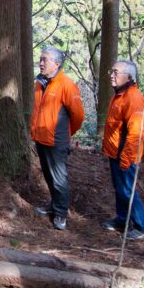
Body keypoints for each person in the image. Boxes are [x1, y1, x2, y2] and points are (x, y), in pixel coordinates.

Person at [30, 47, 85, 231]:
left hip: (57, 140)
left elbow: (78, 115)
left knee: (59, 178)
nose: (41, 62)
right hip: (40, 138)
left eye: (45, 59)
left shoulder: (67, 85)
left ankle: (61, 213)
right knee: (48, 175)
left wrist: (66, 133)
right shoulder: (39, 83)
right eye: (40, 59)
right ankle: (53, 205)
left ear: (56, 63)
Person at [101, 59, 144, 240]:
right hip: (115, 152)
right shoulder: (120, 95)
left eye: (116, 73)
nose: (112, 76)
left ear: (128, 77)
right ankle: (122, 219)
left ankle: (142, 226)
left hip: (126, 155)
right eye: (112, 72)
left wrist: (126, 157)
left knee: (127, 189)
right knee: (120, 188)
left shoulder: (134, 99)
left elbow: (135, 134)